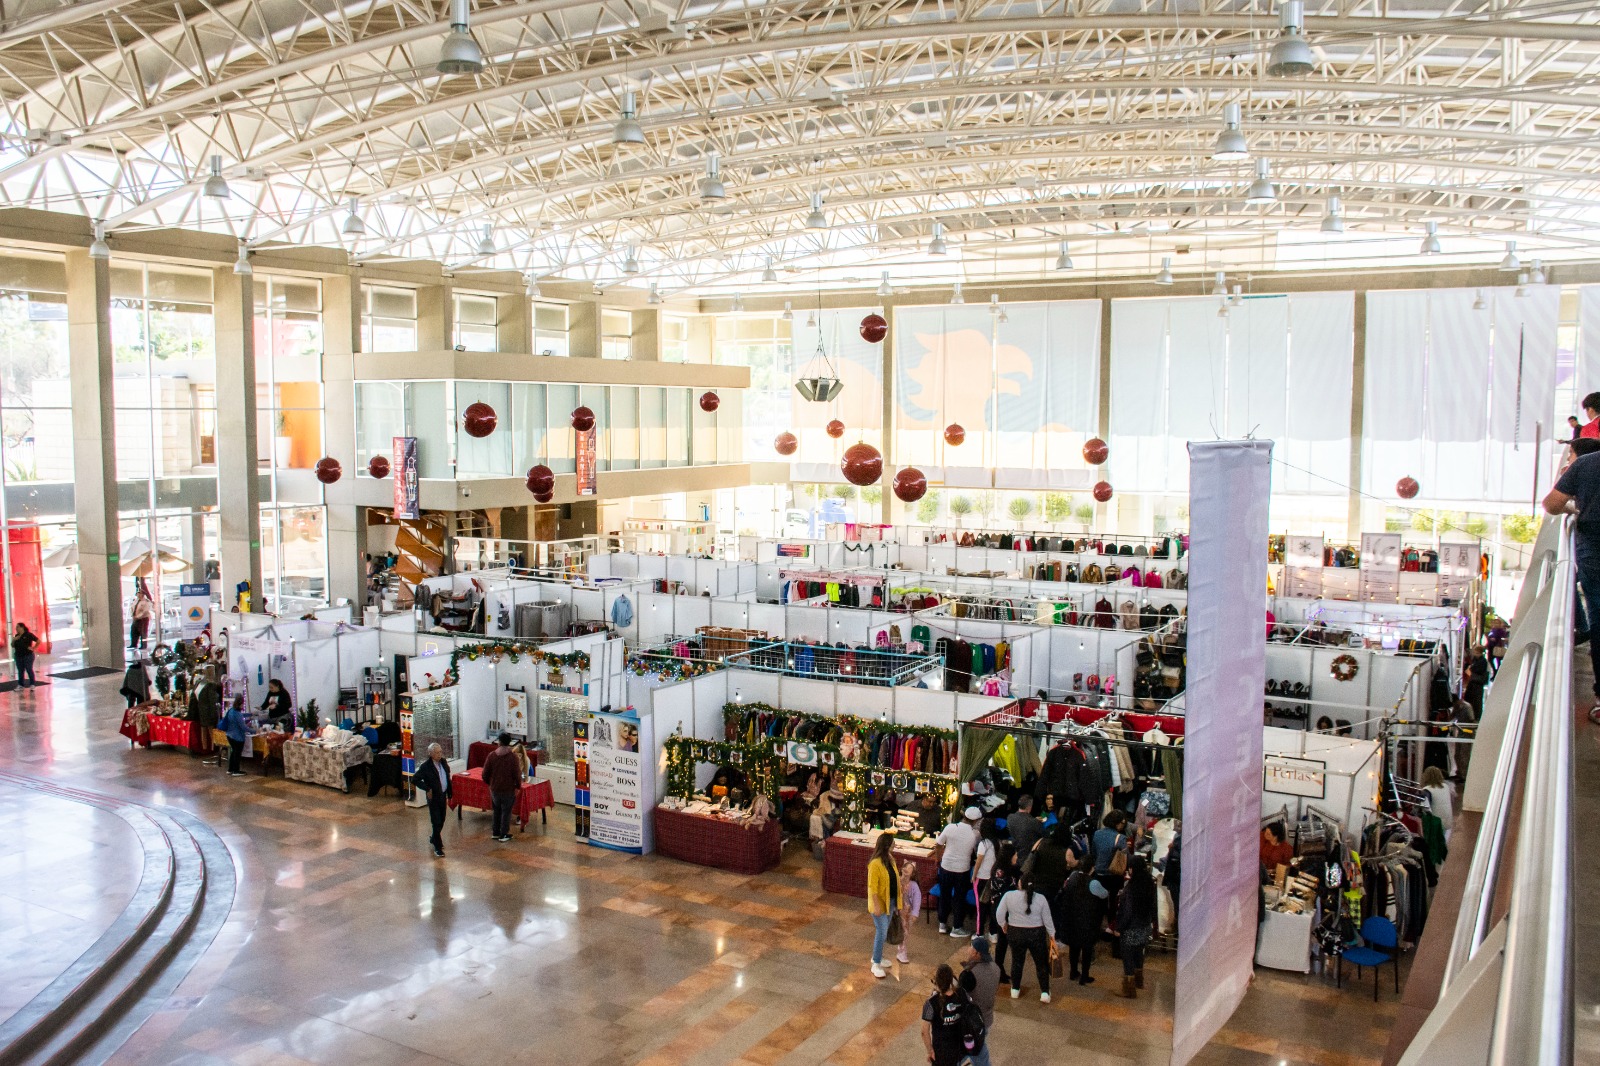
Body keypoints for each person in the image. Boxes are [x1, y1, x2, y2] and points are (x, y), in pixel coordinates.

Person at [996, 874, 1056, 1002]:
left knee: (1017, 962)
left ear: (1019, 884)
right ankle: (1045, 992)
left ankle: (1015, 990)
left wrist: (1003, 925)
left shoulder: (1009, 896)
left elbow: (999, 913)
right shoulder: (1041, 899)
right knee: (1041, 964)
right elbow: (1048, 920)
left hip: (1015, 933)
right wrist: (1052, 935)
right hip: (1036, 935)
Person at [921, 964, 984, 1066]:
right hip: (958, 1046)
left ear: (937, 981)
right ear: (951, 979)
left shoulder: (931, 1003)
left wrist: (930, 1051)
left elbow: (924, 1032)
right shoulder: (961, 994)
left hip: (940, 1051)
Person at [1114, 856, 1157, 999]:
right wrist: (1153, 923)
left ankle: (1129, 989)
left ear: (1133, 868)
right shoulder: (1150, 883)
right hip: (1144, 926)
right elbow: (1153, 906)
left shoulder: (1131, 887)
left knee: (1128, 957)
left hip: (1131, 927)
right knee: (1139, 953)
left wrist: (1119, 927)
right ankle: (1139, 981)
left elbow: (1127, 911)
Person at [934, 806, 981, 937]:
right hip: (962, 870)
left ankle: (942, 924)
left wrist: (938, 860)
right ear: (976, 820)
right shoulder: (975, 834)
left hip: (946, 866)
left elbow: (938, 844)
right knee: (959, 898)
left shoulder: (950, 828)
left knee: (944, 895)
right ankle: (957, 927)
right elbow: (976, 852)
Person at [1058, 867, 1109, 985]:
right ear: (1092, 868)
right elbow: (1104, 894)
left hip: (1072, 918)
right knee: (1087, 948)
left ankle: (1073, 972)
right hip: (1088, 921)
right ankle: (1084, 976)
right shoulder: (1093, 883)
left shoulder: (1072, 877)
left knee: (1074, 947)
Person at [866, 832, 904, 979]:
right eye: (893, 842)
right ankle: (875, 962)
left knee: (884, 930)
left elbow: (894, 879)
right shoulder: (875, 864)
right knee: (881, 932)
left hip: (891, 902)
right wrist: (876, 906)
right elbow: (873, 888)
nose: (895, 845)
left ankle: (879, 956)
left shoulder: (890, 859)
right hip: (880, 904)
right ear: (888, 845)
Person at [958, 938, 1000, 1066]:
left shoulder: (970, 974)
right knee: (978, 1050)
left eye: (971, 947)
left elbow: (961, 997)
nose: (968, 949)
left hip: (971, 1023)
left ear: (977, 954)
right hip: (986, 1019)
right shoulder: (996, 968)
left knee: (969, 1052)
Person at [481, 732, 523, 842]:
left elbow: (485, 774)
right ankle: (504, 834)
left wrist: (490, 784)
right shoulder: (513, 757)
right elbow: (517, 774)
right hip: (508, 789)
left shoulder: (492, 755)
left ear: (499, 742)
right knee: (506, 812)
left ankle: (495, 832)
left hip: (495, 789)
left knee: (496, 811)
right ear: (510, 743)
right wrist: (518, 786)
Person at [414, 742, 453, 857]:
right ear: (430, 754)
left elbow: (447, 776)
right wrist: (427, 789)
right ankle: (437, 846)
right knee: (436, 821)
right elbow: (415, 779)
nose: (439, 754)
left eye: (440, 752)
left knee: (442, 820)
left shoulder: (444, 762)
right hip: (434, 797)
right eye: (436, 753)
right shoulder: (425, 767)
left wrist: (450, 792)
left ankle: (434, 837)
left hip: (443, 795)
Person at [971, 817, 1001, 935]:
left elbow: (978, 862)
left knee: (980, 908)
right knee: (992, 907)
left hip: (982, 878)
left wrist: (973, 875)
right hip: (993, 879)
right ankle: (993, 933)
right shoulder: (998, 843)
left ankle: (979, 933)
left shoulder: (984, 844)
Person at [1421, 765, 1455, 842]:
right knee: (1441, 839)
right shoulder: (1446, 786)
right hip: (1447, 821)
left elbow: (1425, 809)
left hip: (1435, 823)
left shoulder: (1427, 790)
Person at [1006, 794, 1043, 858]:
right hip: (1027, 855)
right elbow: (1045, 835)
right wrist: (1036, 821)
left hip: (1015, 850)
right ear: (1030, 807)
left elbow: (1022, 822)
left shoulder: (1010, 817)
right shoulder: (1034, 822)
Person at [219, 696, 249, 777]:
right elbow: (243, 727)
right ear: (241, 704)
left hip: (229, 735)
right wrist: (255, 730)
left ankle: (230, 769)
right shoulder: (238, 714)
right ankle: (236, 770)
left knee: (233, 752)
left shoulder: (231, 710)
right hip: (237, 737)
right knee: (237, 753)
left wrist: (250, 714)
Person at [11, 623, 38, 688]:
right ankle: (21, 685)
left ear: (22, 627)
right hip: (18, 655)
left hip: (27, 655)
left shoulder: (28, 635)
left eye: (17, 627)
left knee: (29, 669)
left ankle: (32, 684)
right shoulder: (16, 636)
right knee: (20, 671)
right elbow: (12, 645)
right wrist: (14, 640)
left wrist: (34, 648)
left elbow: (38, 641)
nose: (16, 628)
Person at [130, 583, 155, 650]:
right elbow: (132, 608)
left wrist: (138, 616)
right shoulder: (136, 601)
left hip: (143, 619)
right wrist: (133, 615)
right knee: (134, 631)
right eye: (137, 593)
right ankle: (134, 644)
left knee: (143, 632)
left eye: (139, 593)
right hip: (135, 618)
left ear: (142, 594)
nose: (138, 594)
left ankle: (143, 645)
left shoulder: (146, 602)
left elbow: (145, 611)